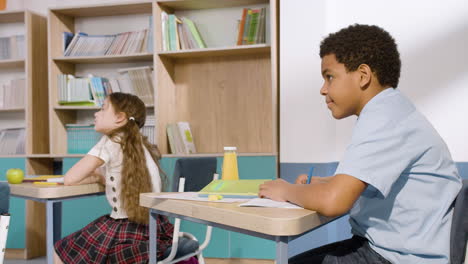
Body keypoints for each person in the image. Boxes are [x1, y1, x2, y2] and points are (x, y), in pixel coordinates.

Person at [259, 24, 462, 263]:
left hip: (397, 258)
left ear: (363, 76)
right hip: (391, 249)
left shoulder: (384, 117)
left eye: (330, 77)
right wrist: (321, 183)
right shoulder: (392, 110)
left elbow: (334, 201)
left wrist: (285, 189)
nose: (323, 89)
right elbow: (365, 184)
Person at [54, 92, 174, 264]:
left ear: (120, 118)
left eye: (103, 109)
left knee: (61, 250)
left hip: (127, 229)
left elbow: (70, 179)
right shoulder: (139, 144)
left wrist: (95, 176)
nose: (96, 114)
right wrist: (99, 177)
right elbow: (112, 178)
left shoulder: (110, 142)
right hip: (154, 228)